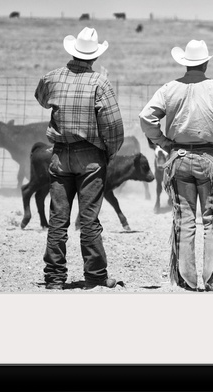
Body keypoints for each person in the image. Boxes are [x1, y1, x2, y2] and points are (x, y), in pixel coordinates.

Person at [139, 39, 213, 292]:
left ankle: (186, 278)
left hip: (179, 158)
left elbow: (146, 117)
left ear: (185, 64)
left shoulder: (169, 88)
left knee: (184, 219)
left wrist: (163, 142)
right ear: (206, 63)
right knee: (211, 219)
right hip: (208, 159)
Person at [36, 27, 124, 290]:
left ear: (73, 51)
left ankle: (54, 277)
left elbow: (41, 99)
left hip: (60, 155)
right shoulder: (100, 82)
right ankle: (95, 275)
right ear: (94, 56)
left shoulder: (52, 78)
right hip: (90, 156)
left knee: (58, 219)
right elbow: (113, 126)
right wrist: (108, 152)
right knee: (89, 219)